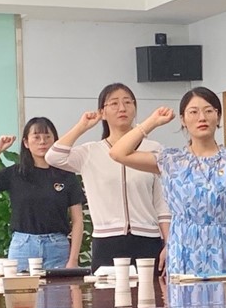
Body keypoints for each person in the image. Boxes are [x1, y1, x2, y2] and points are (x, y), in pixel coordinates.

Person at [109, 87, 226, 278]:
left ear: (218, 116)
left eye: (208, 111)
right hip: (183, 251)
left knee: (225, 298)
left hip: (225, 248)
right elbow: (117, 152)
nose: (202, 118)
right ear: (183, 119)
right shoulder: (171, 160)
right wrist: (152, 122)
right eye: (193, 112)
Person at [46, 83, 170, 273]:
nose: (122, 108)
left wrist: (168, 243)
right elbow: (53, 157)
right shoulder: (90, 152)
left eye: (128, 102)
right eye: (114, 103)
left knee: (150, 291)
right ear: (102, 113)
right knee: (107, 292)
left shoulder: (153, 149)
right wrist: (81, 127)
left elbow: (162, 204)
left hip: (148, 239)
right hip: (107, 241)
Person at [0, 117, 84, 272]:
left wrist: (73, 260)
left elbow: (77, 220)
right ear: (26, 143)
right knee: (21, 288)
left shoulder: (67, 175)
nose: (42, 142)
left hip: (57, 246)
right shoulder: (16, 173)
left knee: (58, 288)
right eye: (36, 137)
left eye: (47, 137)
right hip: (23, 246)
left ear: (55, 141)